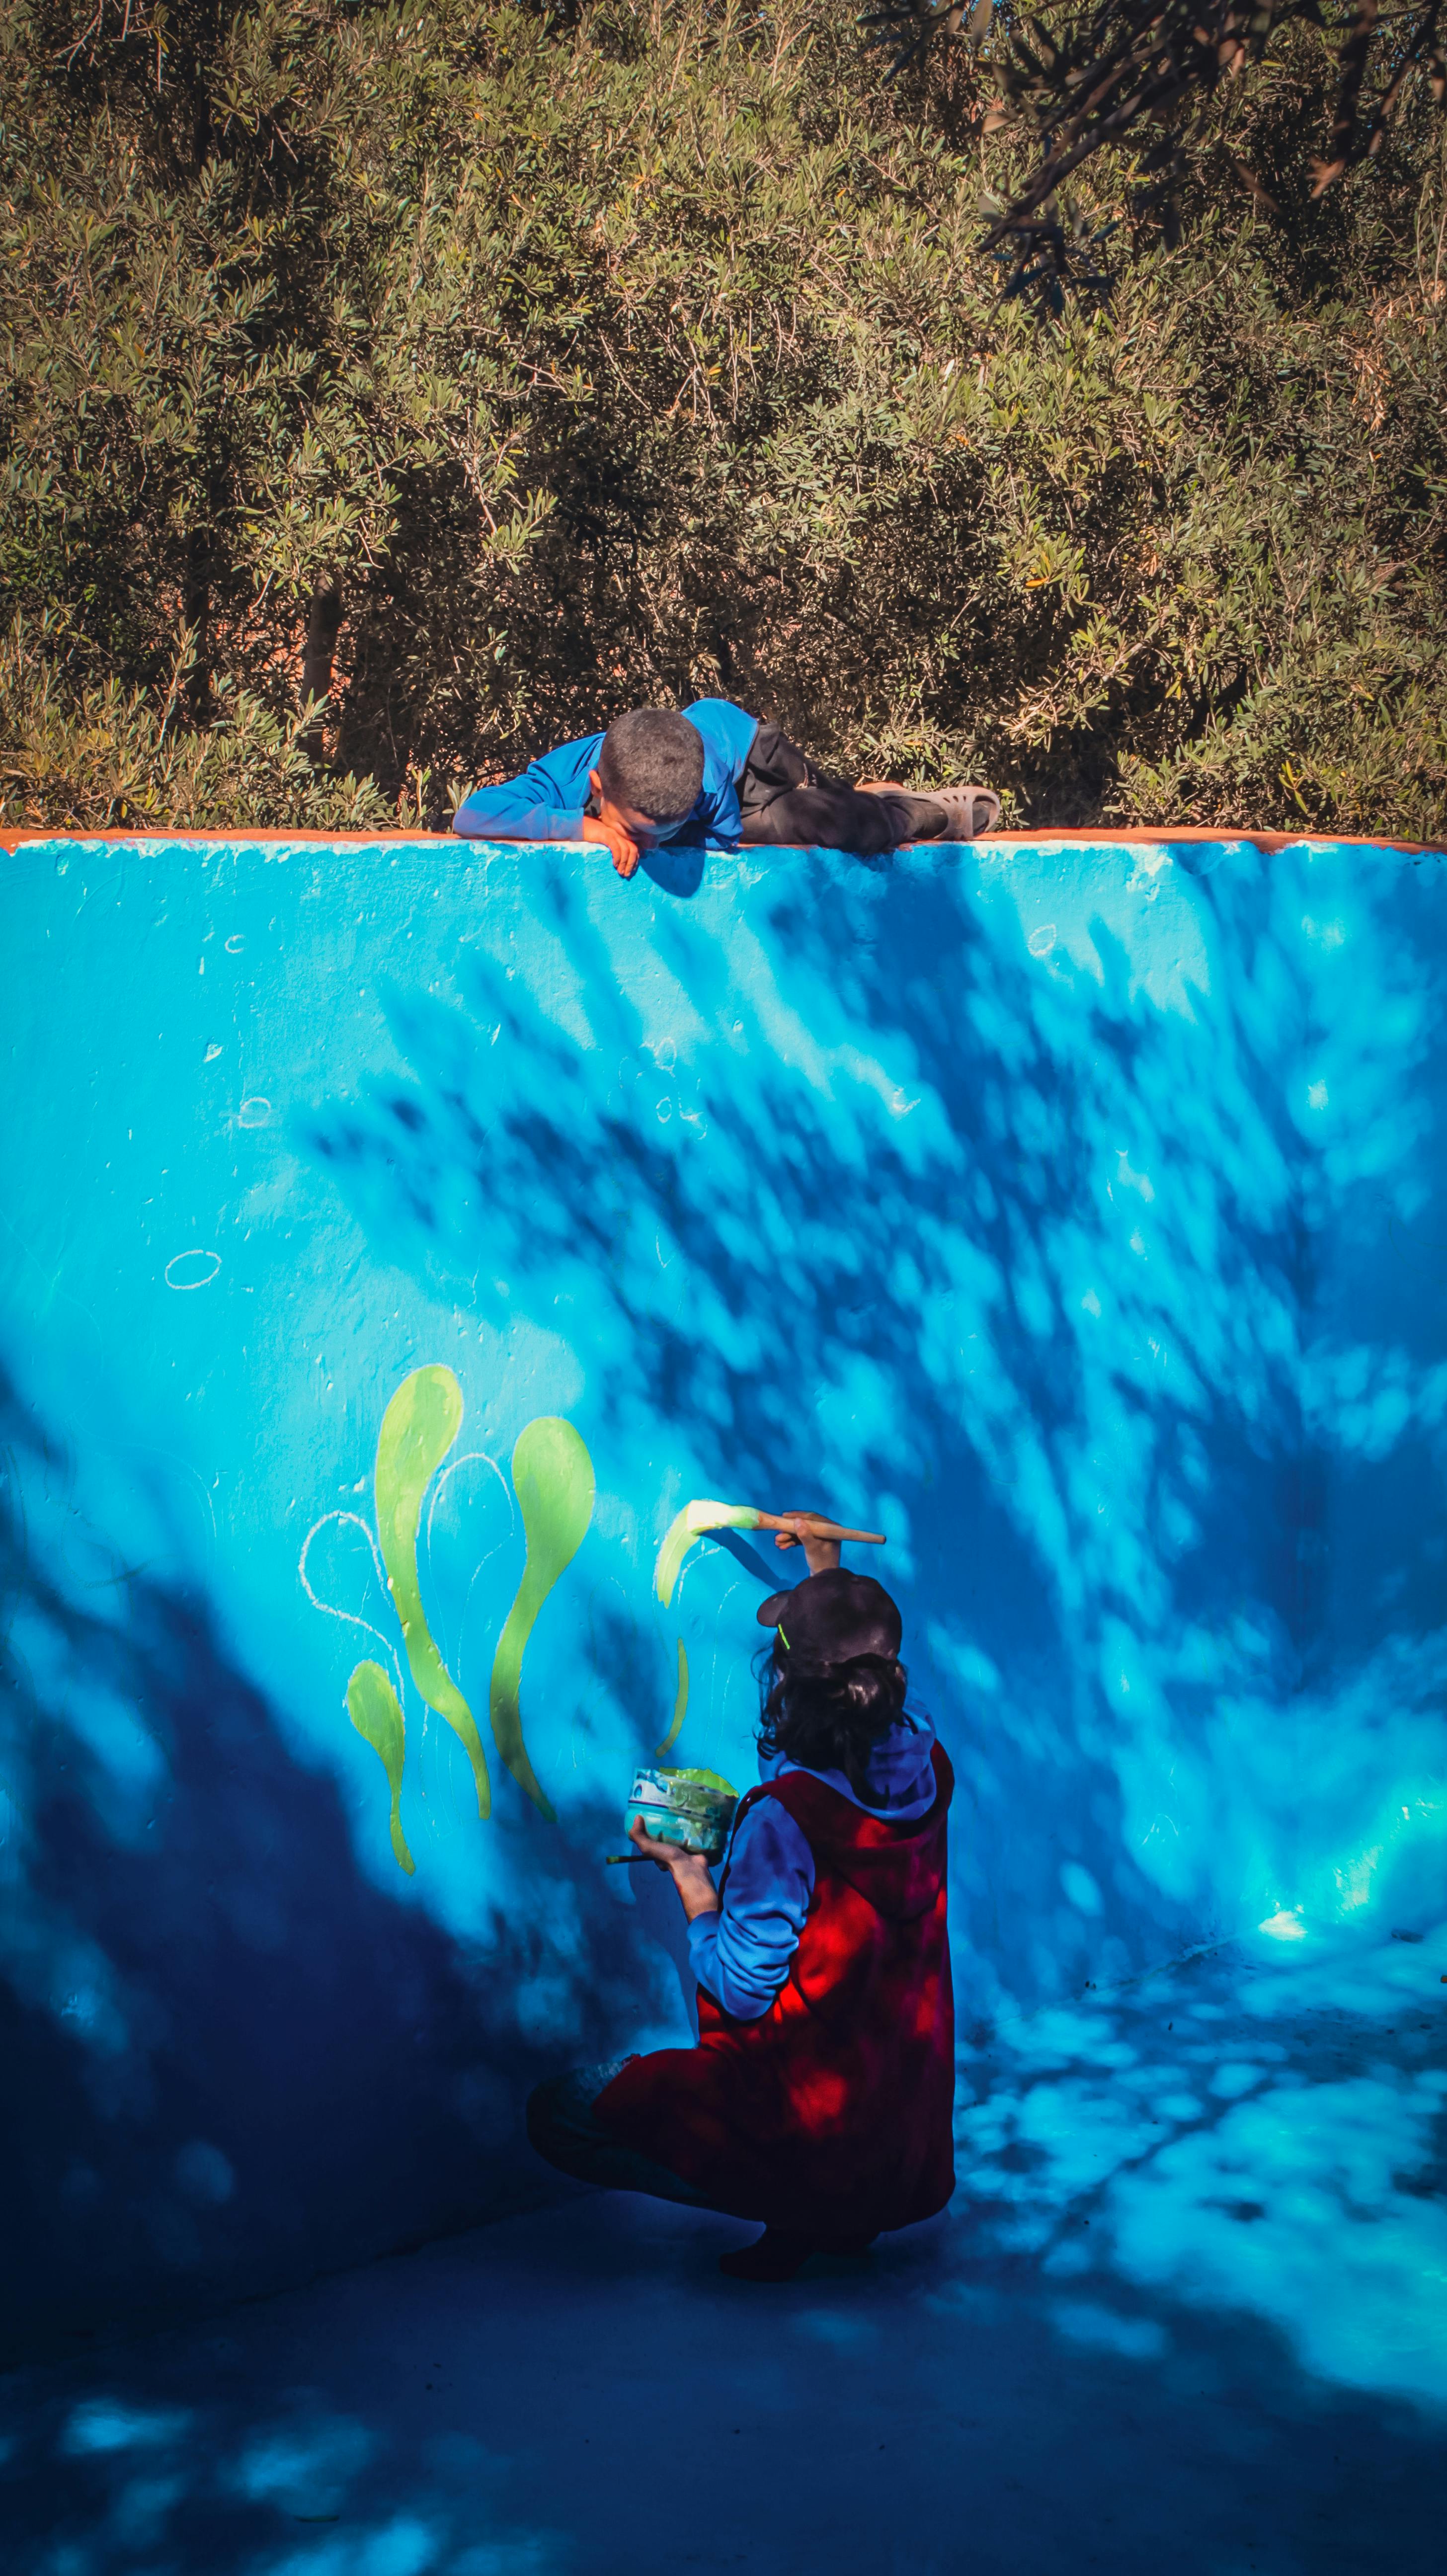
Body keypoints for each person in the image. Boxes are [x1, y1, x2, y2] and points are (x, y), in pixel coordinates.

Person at [526, 1515, 955, 2283]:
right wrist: (824, 1562)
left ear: (788, 1681)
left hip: (813, 2121)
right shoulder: (926, 1771)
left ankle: (803, 2203)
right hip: (900, 2119)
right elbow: (851, 1668)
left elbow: (746, 1989)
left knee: (558, 2117)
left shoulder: (785, 1820)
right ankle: (835, 2210)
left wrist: (691, 1879)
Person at [453, 698, 1000, 877]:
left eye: (657, 837)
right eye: (636, 833)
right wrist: (583, 827)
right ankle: (866, 801)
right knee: (827, 814)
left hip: (747, 767)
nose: (648, 849)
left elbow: (725, 835)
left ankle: (914, 813)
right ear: (598, 787)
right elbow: (472, 815)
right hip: (697, 781)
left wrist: (684, 833)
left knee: (829, 815)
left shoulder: (707, 792)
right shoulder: (572, 774)